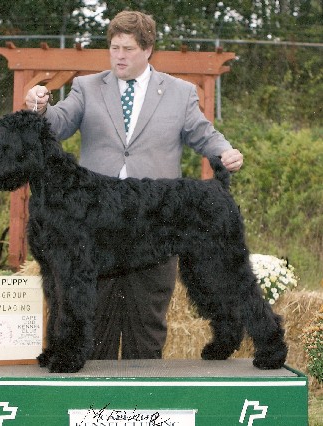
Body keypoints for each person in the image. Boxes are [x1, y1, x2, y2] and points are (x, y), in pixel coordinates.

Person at [25, 11, 244, 362]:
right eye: (114, 48)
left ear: (148, 49)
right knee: (95, 329)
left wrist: (225, 152)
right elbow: (59, 123)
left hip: (155, 217)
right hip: (98, 222)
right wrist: (40, 107)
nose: (119, 56)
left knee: (147, 327)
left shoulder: (180, 92)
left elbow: (203, 133)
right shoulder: (86, 87)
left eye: (127, 49)